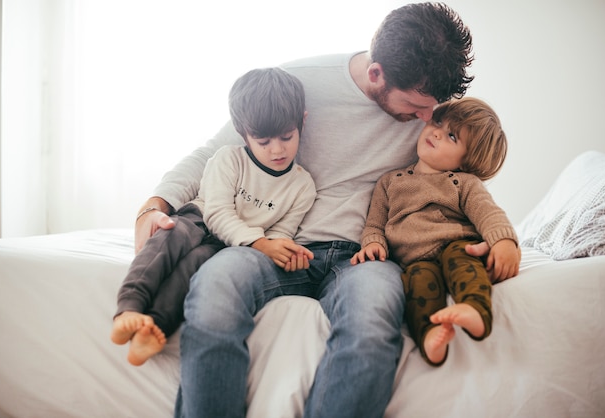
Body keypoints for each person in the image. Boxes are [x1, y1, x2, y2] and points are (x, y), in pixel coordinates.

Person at [135, 3, 519, 417]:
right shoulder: (299, 83)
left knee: (373, 324)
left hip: (364, 258)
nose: (427, 119)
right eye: (416, 106)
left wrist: (501, 237)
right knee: (213, 291)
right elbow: (216, 152)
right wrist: (156, 203)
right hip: (276, 243)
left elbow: (468, 185)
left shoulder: (432, 120)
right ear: (377, 75)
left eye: (434, 107)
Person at [111, 67, 316, 366]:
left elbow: (281, 233)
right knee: (169, 239)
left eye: (287, 137)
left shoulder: (302, 186)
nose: (277, 150)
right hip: (200, 219)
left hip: (229, 247)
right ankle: (129, 308)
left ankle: (153, 328)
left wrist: (283, 252)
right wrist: (261, 243)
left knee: (193, 271)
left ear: (302, 122)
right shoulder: (228, 159)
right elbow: (218, 214)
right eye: (263, 142)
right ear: (242, 132)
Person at [350, 97, 520, 366]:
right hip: (414, 260)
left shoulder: (464, 183)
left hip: (455, 243)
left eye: (451, 136)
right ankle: (429, 334)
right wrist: (373, 244)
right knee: (418, 285)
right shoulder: (390, 182)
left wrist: (504, 241)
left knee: (462, 261)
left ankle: (475, 309)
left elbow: (488, 213)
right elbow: (374, 224)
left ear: (465, 162)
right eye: (439, 122)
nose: (437, 131)